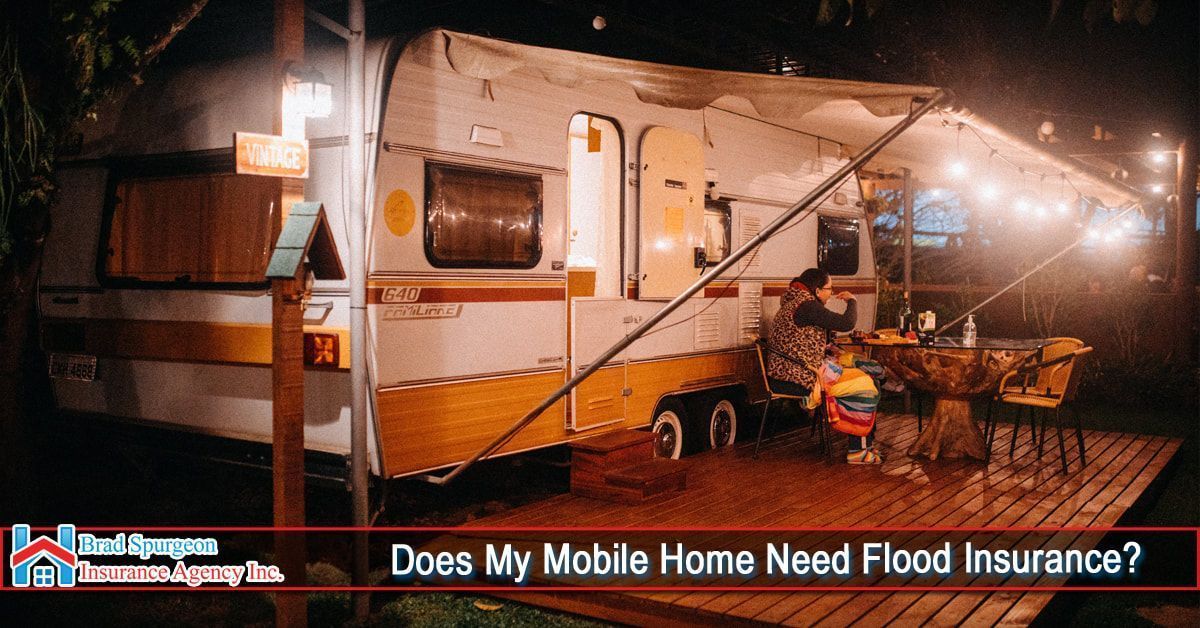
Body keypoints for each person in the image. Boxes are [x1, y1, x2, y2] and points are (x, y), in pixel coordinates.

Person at [766, 268, 881, 464]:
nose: (832, 292)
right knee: (865, 385)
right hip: (799, 377)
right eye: (829, 288)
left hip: (790, 372)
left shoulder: (795, 302)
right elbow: (846, 323)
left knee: (867, 379)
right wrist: (852, 301)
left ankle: (866, 444)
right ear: (817, 291)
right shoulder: (807, 306)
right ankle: (857, 451)